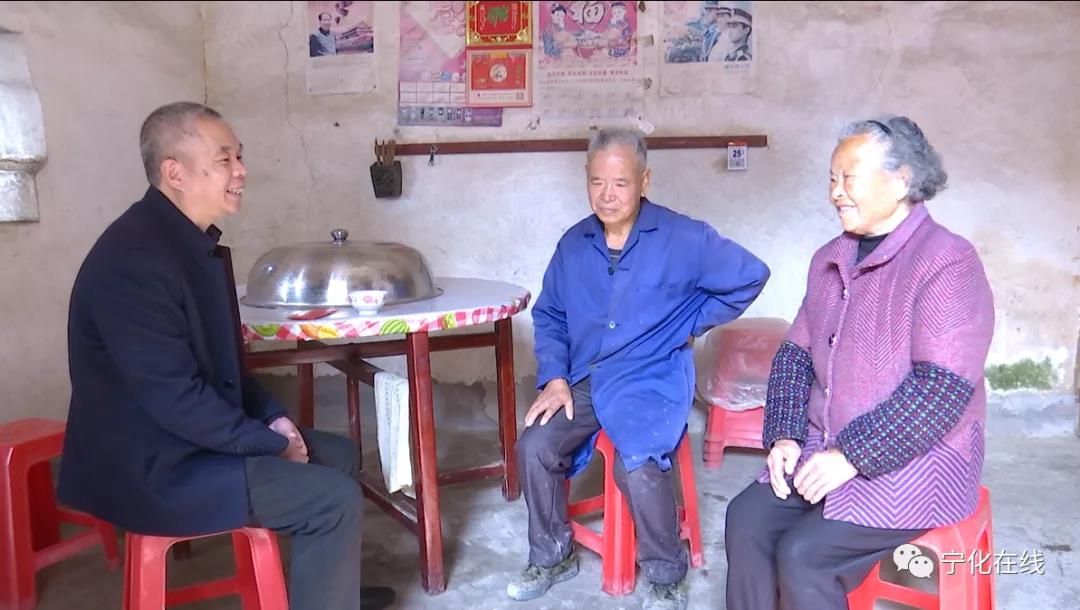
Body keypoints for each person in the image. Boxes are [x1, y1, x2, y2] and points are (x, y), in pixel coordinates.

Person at [57, 102, 395, 610]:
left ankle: (329, 593)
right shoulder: (133, 263)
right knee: (332, 500)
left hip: (189, 441)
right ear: (175, 173)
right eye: (224, 160)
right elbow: (174, 398)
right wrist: (268, 444)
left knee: (339, 454)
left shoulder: (188, 246)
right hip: (155, 465)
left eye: (239, 156)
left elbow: (226, 370)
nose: (241, 171)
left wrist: (276, 419)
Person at [724, 116, 995, 610]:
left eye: (849, 178)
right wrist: (784, 436)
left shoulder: (948, 261)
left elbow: (940, 389)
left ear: (901, 180)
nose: (836, 192)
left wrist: (850, 457)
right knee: (746, 521)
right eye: (832, 178)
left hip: (921, 459)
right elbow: (794, 354)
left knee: (805, 556)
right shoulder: (830, 258)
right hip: (823, 444)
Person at [506, 128, 771, 610]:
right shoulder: (574, 244)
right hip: (586, 376)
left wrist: (690, 323)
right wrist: (556, 378)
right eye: (597, 182)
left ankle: (666, 576)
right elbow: (550, 315)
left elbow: (750, 276)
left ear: (644, 181)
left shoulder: (684, 237)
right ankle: (552, 556)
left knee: (640, 462)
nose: (607, 195)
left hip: (651, 375)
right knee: (535, 446)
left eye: (621, 183)